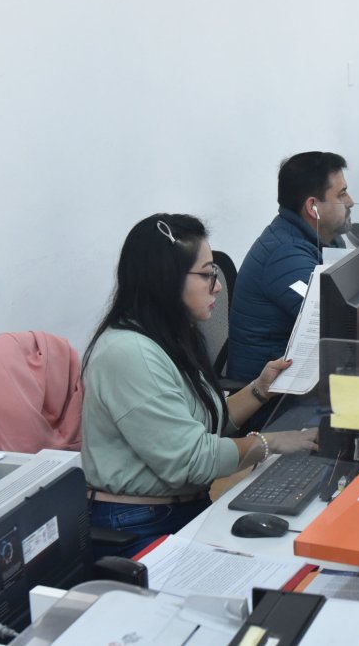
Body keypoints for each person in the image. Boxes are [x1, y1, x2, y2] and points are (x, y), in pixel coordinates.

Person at [81, 214, 318, 558]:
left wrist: (260, 389)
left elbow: (206, 424)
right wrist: (273, 442)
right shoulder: (129, 354)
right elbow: (193, 460)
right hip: (138, 524)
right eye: (208, 275)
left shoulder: (168, 335)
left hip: (179, 508)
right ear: (167, 279)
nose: (218, 287)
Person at [227, 152, 354, 389]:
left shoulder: (327, 238)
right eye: (342, 193)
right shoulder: (284, 256)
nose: (350, 201)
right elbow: (338, 324)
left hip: (306, 374)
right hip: (269, 397)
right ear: (313, 207)